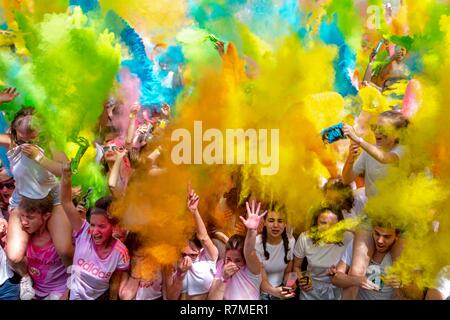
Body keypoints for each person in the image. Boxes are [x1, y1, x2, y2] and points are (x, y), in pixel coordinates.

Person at [0, 105, 73, 300]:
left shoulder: (50, 144)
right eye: (23, 135)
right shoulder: (10, 142)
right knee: (14, 256)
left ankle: (72, 281)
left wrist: (40, 157)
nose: (27, 140)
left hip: (52, 198)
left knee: (65, 249)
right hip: (23, 199)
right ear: (15, 130)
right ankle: (26, 278)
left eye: (32, 136)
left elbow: (66, 170)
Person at [341, 110, 409, 299]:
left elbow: (386, 159)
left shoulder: (403, 151)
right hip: (373, 215)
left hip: (401, 219)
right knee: (355, 274)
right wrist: (350, 158)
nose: (377, 132)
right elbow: (346, 179)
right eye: (375, 127)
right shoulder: (369, 151)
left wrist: (359, 139)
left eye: (383, 128)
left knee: (398, 279)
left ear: (397, 135)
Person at [60, 161, 130, 300]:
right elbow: (66, 202)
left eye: (102, 226)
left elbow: (115, 284)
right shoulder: (83, 231)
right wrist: (66, 176)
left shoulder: (120, 252)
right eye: (92, 225)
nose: (95, 231)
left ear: (114, 226)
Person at [332, 223, 410, 300]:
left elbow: (417, 295)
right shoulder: (359, 245)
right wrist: (357, 281)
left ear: (396, 236)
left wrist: (403, 283)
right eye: (377, 234)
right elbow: (336, 279)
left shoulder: (405, 253)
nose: (380, 240)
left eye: (387, 237)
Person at [208, 200, 264, 300]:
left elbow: (249, 251)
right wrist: (223, 279)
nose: (232, 264)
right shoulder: (221, 265)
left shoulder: (252, 268)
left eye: (237, 260)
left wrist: (252, 231)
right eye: (228, 259)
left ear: (245, 260)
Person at [293, 206, 352, 300]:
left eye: (333, 225)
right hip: (310, 292)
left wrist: (338, 274)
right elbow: (296, 266)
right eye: (323, 223)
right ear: (316, 222)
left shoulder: (348, 238)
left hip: (336, 292)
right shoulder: (305, 238)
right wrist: (302, 279)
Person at [18, 195, 69, 300]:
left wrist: (68, 292)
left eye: (30, 217)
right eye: (22, 216)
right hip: (33, 290)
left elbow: (75, 265)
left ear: (46, 216)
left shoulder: (59, 240)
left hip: (58, 291)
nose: (24, 222)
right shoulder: (23, 237)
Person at [174, 184, 219, 300]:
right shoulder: (173, 259)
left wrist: (195, 212)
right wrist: (179, 274)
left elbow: (203, 237)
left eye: (193, 255)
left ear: (201, 250)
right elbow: (170, 296)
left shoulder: (210, 256)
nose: (187, 258)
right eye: (184, 254)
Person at [256, 203, 296, 300]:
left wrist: (291, 283)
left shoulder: (291, 241)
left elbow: (289, 273)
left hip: (280, 291)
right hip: (260, 293)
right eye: (271, 220)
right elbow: (262, 280)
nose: (275, 225)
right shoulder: (257, 242)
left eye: (280, 221)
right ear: (264, 222)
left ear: (285, 223)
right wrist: (275, 292)